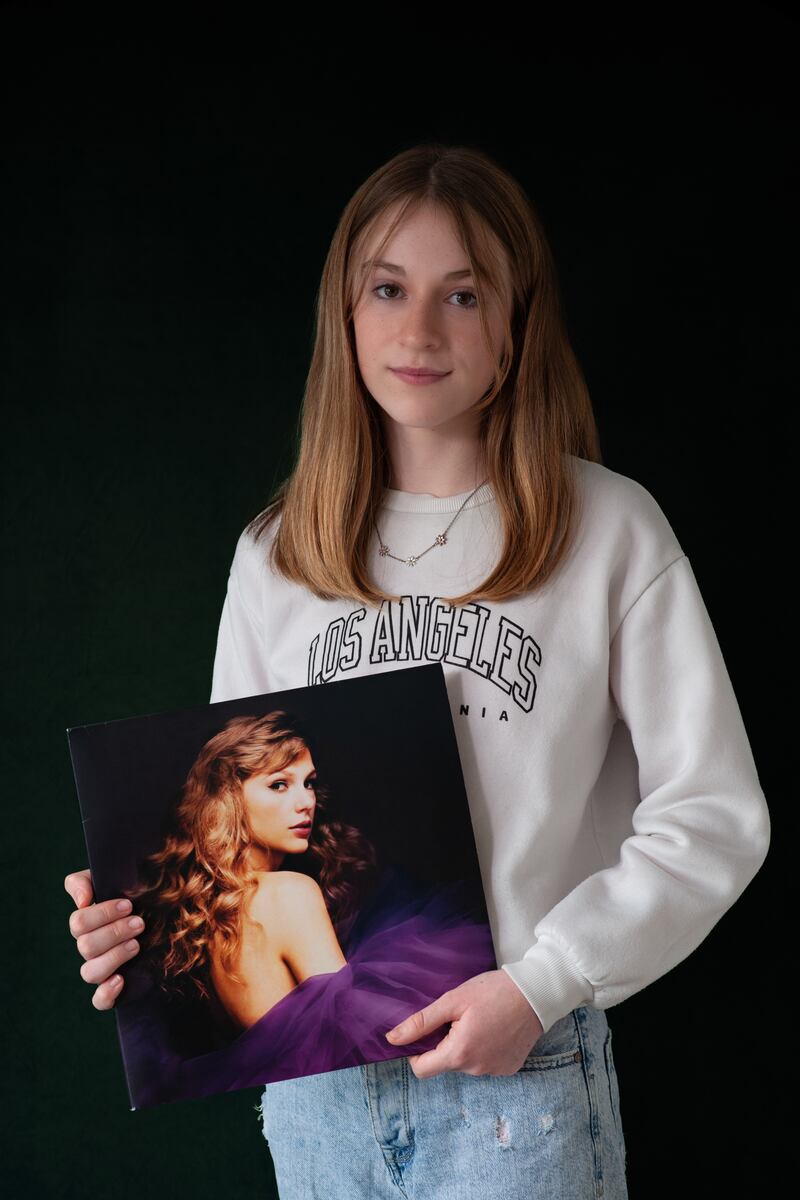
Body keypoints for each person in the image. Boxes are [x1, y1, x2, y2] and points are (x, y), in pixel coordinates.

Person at [65, 142, 770, 1198]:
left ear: (515, 323)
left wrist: (541, 986)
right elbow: (221, 809)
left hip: (519, 1082)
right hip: (315, 1100)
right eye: (387, 289)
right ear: (343, 314)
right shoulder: (276, 553)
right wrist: (138, 917)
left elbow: (712, 816)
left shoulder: (609, 529)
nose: (418, 330)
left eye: (463, 296)